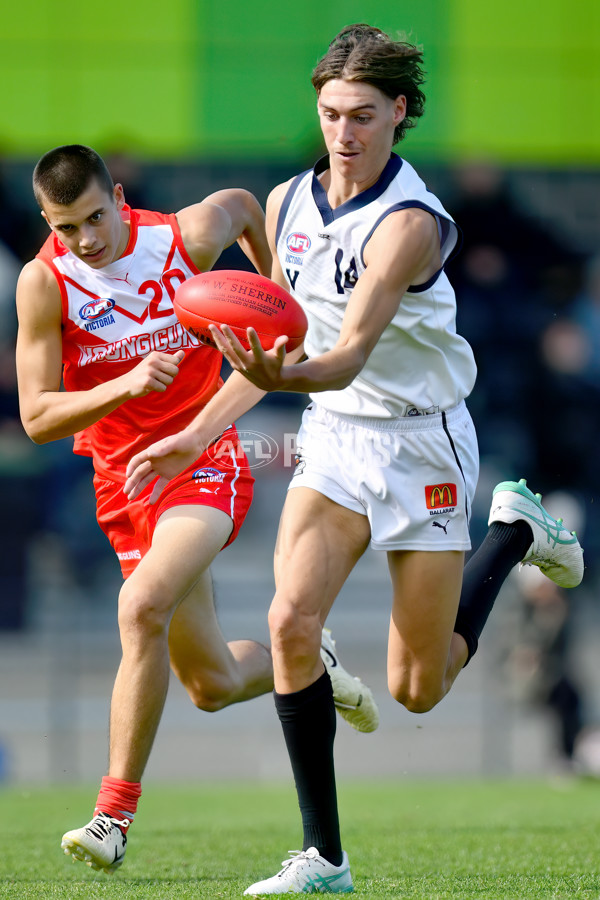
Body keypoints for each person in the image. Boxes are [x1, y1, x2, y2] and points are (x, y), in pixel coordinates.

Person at [124, 25, 584, 895]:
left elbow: (344, 354)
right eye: (332, 112)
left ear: (398, 113)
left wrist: (279, 371)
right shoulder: (289, 201)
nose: (344, 131)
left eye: (364, 115)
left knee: (418, 687)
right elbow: (283, 349)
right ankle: (324, 858)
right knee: (290, 621)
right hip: (335, 432)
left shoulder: (410, 223)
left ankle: (516, 529)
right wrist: (190, 434)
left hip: (422, 438)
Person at [15, 144, 378, 876]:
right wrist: (124, 385)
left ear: (119, 196)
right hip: (125, 483)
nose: (86, 240)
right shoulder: (43, 283)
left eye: (95, 218)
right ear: (47, 221)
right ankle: (306, 661)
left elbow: (245, 203)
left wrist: (281, 296)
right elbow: (36, 417)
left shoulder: (183, 235)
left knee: (139, 604)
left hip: (203, 458)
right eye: (66, 227)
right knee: (208, 683)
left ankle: (112, 817)